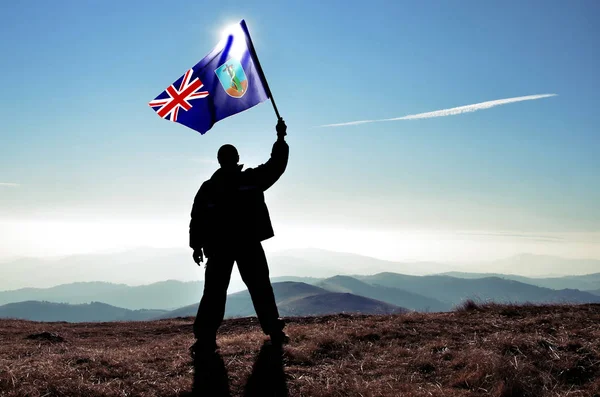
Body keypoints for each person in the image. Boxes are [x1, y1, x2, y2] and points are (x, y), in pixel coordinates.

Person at [189, 119, 289, 356]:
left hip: (237, 245)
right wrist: (196, 245)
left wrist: (281, 140)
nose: (228, 160)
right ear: (230, 159)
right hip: (232, 245)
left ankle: (208, 339)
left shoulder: (234, 182)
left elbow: (276, 165)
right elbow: (198, 217)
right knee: (238, 290)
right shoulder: (220, 185)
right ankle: (271, 331)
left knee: (250, 289)